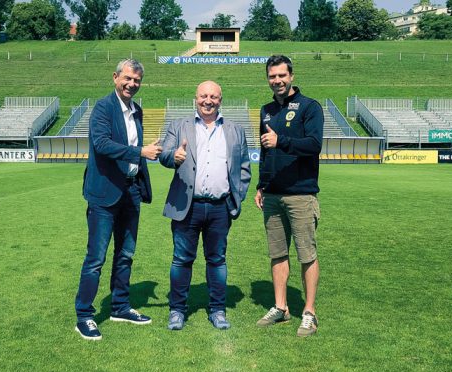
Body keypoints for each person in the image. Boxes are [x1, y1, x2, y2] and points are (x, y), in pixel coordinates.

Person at [74, 59, 163, 341]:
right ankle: (84, 315)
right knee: (95, 258)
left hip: (131, 191)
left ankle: (120, 306)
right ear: (115, 77)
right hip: (104, 193)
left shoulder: (137, 110)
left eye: (136, 80)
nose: (131, 84)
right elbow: (101, 144)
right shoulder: (103, 107)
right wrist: (139, 152)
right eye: (127, 78)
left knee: (126, 254)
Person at [159, 81, 251, 331]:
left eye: (213, 96)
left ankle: (218, 310)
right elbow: (163, 154)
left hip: (220, 208)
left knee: (217, 260)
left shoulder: (235, 129)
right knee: (181, 260)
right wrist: (174, 157)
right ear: (195, 98)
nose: (207, 100)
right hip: (186, 206)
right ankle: (177, 310)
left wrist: (237, 197)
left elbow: (244, 167)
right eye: (203, 96)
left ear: (221, 99)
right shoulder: (179, 126)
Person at [254, 55, 324, 337]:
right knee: (277, 253)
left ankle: (309, 312)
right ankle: (280, 307)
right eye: (272, 76)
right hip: (272, 194)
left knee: (306, 253)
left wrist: (281, 140)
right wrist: (261, 185)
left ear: (291, 76)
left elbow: (314, 145)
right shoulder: (266, 110)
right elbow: (264, 152)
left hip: (301, 194)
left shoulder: (310, 107)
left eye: (282, 75)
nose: (277, 81)